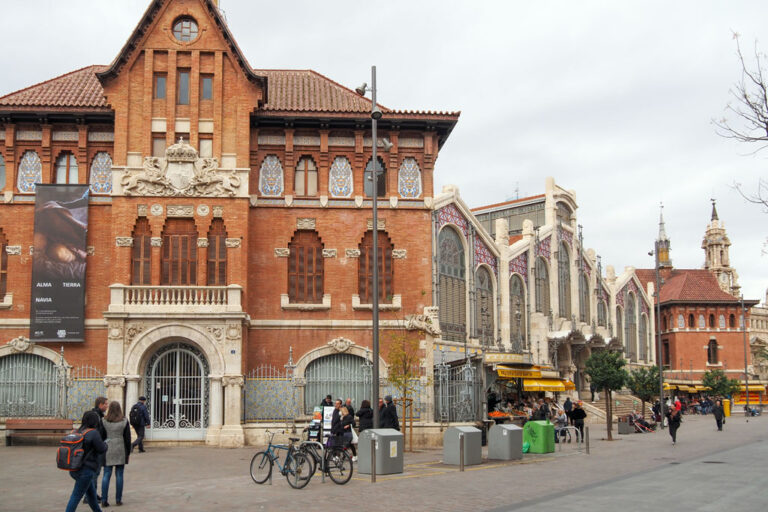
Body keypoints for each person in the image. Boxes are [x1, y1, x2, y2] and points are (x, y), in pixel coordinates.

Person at [65, 411, 107, 512]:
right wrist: (106, 444)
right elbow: (101, 449)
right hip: (86, 470)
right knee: (76, 496)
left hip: (75, 468)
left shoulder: (78, 431)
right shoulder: (93, 433)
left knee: (91, 496)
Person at [101, 401, 131, 507]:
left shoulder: (104, 421)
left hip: (107, 447)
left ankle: (104, 499)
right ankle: (118, 499)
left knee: (106, 474)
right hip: (120, 447)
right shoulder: (124, 421)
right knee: (119, 474)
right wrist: (128, 451)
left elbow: (101, 435)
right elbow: (127, 438)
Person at [86, 397, 108, 504]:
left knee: (94, 472)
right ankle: (90, 496)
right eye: (105, 404)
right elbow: (98, 433)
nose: (107, 406)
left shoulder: (95, 415)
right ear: (100, 404)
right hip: (95, 448)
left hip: (91, 448)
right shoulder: (97, 417)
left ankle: (91, 494)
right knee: (95, 472)